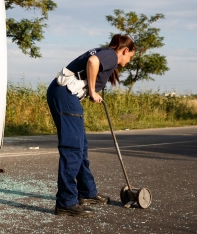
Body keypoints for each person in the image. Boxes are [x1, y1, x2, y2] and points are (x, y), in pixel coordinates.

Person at [47, 34, 135, 216]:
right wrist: (93, 92)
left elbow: (93, 63)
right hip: (65, 96)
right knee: (72, 149)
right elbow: (93, 62)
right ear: (125, 51)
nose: (129, 60)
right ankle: (66, 202)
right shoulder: (110, 55)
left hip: (64, 95)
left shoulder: (106, 53)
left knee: (81, 147)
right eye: (130, 57)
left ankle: (87, 192)